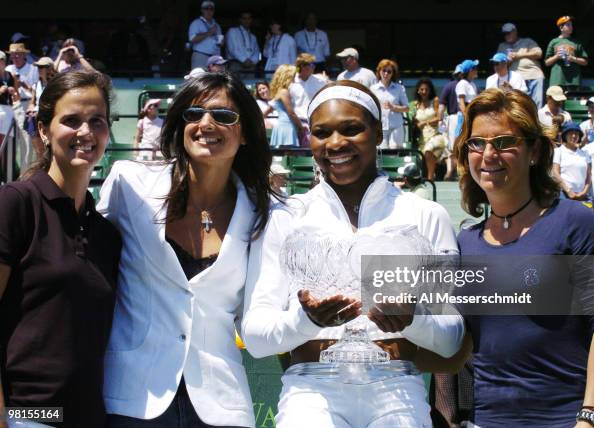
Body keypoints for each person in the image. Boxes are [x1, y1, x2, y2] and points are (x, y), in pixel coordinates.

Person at [242, 80, 465, 428]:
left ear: (377, 133)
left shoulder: (425, 215)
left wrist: (413, 319)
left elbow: (451, 339)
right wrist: (307, 321)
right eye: (321, 132)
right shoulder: (285, 216)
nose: (335, 143)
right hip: (309, 393)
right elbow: (255, 336)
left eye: (352, 129)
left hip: (398, 390)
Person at [98, 72, 274, 427]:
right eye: (193, 114)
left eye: (224, 116)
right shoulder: (128, 185)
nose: (206, 123)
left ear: (244, 135)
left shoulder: (264, 213)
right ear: (180, 126)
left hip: (221, 404)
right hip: (134, 398)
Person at [452, 88, 594, 426]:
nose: (488, 154)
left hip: (566, 419)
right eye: (477, 143)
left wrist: (591, 416)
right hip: (486, 421)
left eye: (505, 142)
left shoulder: (575, 222)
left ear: (535, 151)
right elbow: (457, 344)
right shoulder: (464, 243)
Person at [0, 70, 121, 428]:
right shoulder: (15, 204)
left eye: (96, 121)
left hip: (92, 419)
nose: (85, 132)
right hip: (27, 415)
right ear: (42, 129)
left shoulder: (106, 233)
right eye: (71, 120)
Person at [496, 22, 545, 108]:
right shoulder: (502, 46)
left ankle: (537, 121)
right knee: (519, 105)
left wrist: (519, 55)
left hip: (534, 75)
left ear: (515, 32)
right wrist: (508, 61)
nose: (507, 35)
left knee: (537, 104)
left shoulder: (527, 41)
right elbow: (497, 65)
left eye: (509, 33)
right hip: (515, 78)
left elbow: (539, 53)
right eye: (505, 34)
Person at [409, 78, 447, 180]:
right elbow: (413, 122)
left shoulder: (435, 101)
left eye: (426, 89)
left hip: (436, 135)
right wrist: (416, 125)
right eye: (422, 89)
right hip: (422, 139)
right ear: (418, 90)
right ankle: (434, 174)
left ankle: (430, 177)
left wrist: (425, 122)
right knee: (426, 152)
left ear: (430, 91)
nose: (424, 92)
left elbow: (439, 118)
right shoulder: (415, 105)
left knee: (428, 150)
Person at [369, 59, 409, 150]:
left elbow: (406, 108)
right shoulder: (373, 89)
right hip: (380, 126)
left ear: (393, 74)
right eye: (384, 70)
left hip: (396, 126)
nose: (386, 74)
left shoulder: (399, 88)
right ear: (379, 71)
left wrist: (393, 107)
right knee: (381, 153)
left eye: (389, 71)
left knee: (395, 151)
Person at [544, 15, 588, 89]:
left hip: (574, 81)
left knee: (573, 100)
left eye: (571, 25)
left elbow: (585, 62)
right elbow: (547, 63)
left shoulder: (577, 42)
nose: (571, 27)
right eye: (568, 25)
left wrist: (573, 58)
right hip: (557, 80)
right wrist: (557, 56)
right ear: (561, 28)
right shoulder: (553, 42)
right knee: (557, 100)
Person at [26, 56, 57, 157]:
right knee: (39, 150)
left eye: (42, 67)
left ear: (49, 68)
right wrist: (30, 108)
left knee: (50, 148)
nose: (39, 69)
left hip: (50, 118)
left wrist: (40, 111)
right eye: (38, 67)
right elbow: (32, 102)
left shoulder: (55, 84)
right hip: (36, 119)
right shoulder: (36, 84)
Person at [553, 121, 591, 201]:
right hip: (563, 195)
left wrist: (584, 192)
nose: (574, 136)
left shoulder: (585, 153)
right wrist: (569, 191)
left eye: (576, 133)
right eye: (570, 133)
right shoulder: (558, 151)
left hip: (582, 196)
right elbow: (555, 173)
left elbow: (589, 176)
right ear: (565, 135)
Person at [438, 64, 463, 180]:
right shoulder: (468, 86)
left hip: (452, 119)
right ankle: (456, 172)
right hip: (459, 118)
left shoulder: (448, 86)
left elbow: (441, 106)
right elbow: (441, 106)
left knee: (452, 147)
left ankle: (450, 171)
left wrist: (440, 120)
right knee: (458, 146)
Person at [269, 64, 303, 148]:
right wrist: (301, 127)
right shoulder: (284, 91)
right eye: (293, 75)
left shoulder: (279, 91)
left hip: (283, 126)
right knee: (289, 156)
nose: (295, 77)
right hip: (287, 127)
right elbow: (291, 113)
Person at [289, 53, 326, 127]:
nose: (314, 67)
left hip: (316, 122)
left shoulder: (321, 81)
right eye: (311, 65)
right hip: (297, 123)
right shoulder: (290, 83)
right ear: (302, 66)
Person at [188, 0, 223, 69]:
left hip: (215, 58)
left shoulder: (217, 25)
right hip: (201, 56)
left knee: (215, 79)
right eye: (206, 8)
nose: (209, 11)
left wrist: (221, 42)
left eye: (211, 9)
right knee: (199, 78)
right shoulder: (196, 23)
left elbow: (220, 40)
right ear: (202, 10)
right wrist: (209, 33)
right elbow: (192, 39)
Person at [225, 11, 260, 78]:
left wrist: (253, 61)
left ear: (251, 20)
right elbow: (232, 49)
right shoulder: (233, 31)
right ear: (240, 20)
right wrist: (244, 60)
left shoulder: (253, 36)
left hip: (250, 65)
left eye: (249, 18)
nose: (247, 20)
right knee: (235, 86)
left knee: (249, 86)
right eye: (244, 18)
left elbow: (257, 51)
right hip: (236, 64)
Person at [0, 51, 16, 146]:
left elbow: (17, 97)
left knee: (6, 140)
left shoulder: (10, 75)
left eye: (1, 61)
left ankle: (6, 160)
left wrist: (13, 92)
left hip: (8, 109)